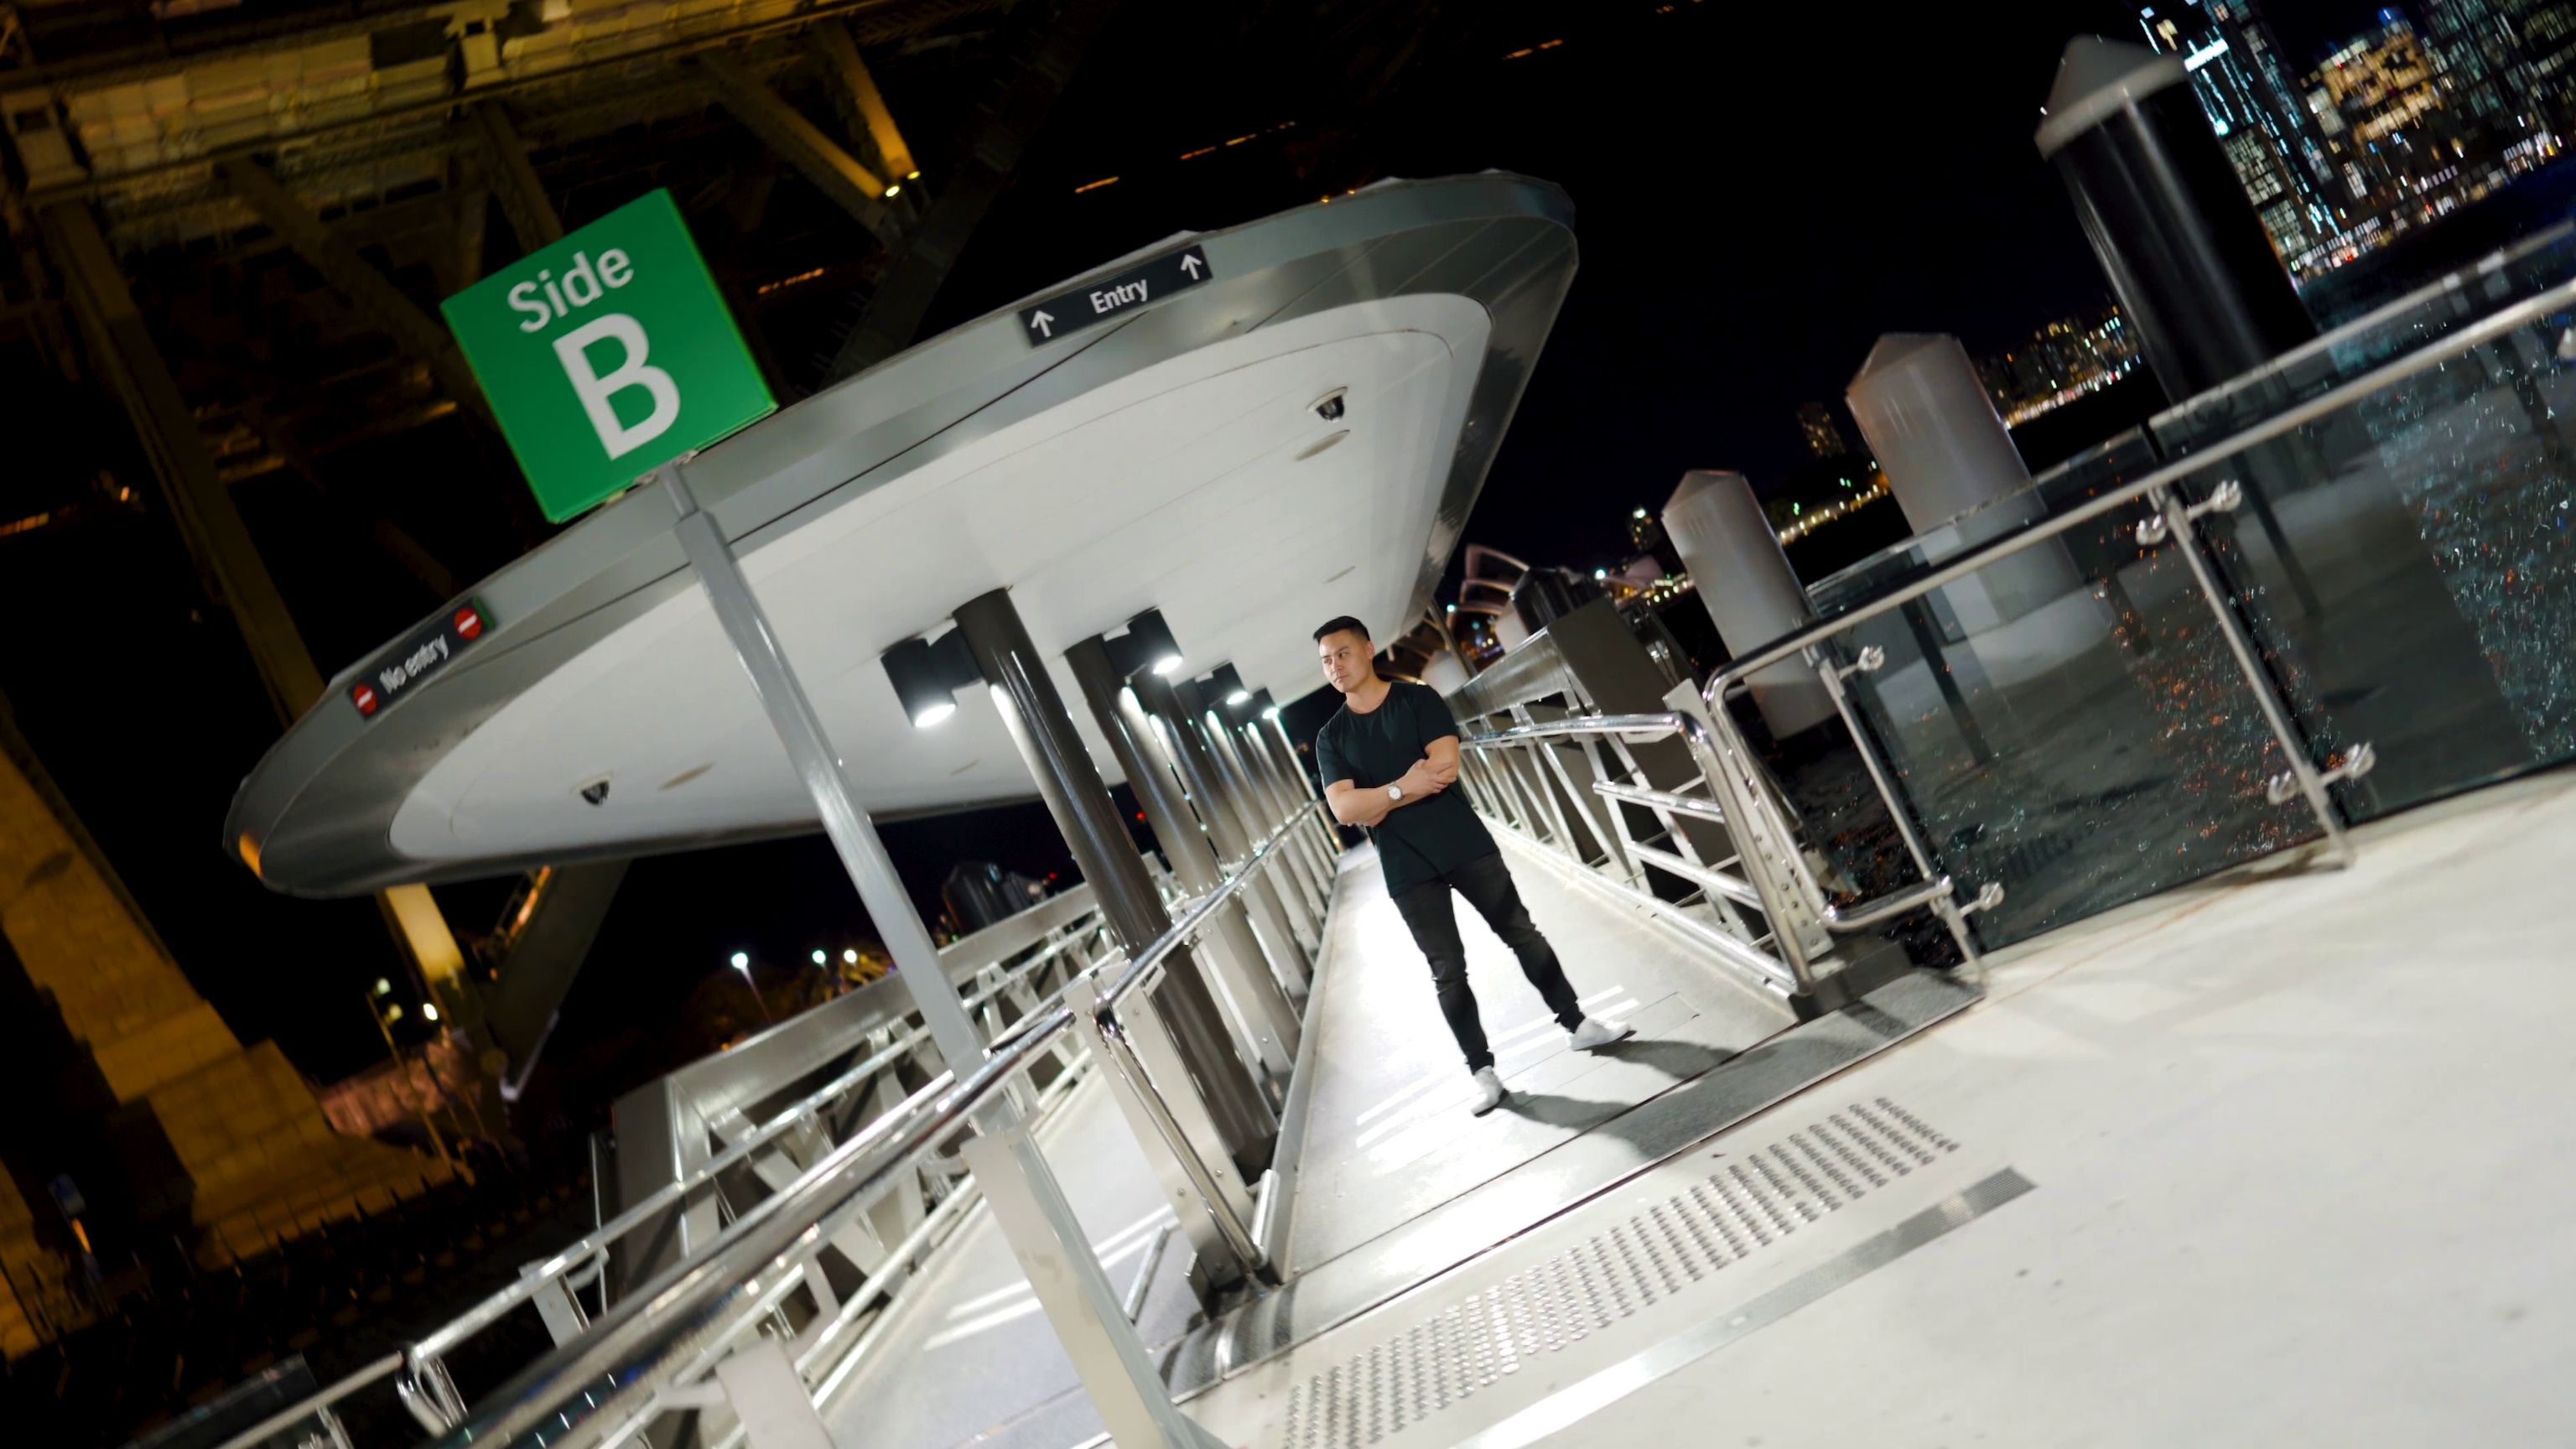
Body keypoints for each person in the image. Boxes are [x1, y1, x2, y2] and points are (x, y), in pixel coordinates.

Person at [1309, 615, 1632, 1115]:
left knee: (1521, 932)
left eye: (1343, 653)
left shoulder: (1417, 700)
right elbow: (1345, 811)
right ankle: (1483, 1073)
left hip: (1463, 843)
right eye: (1327, 660)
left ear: (1369, 650)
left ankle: (1578, 1025)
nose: (1335, 667)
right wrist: (1403, 787)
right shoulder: (1333, 737)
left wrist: (1381, 799)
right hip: (1406, 868)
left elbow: (1444, 770)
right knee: (1448, 972)